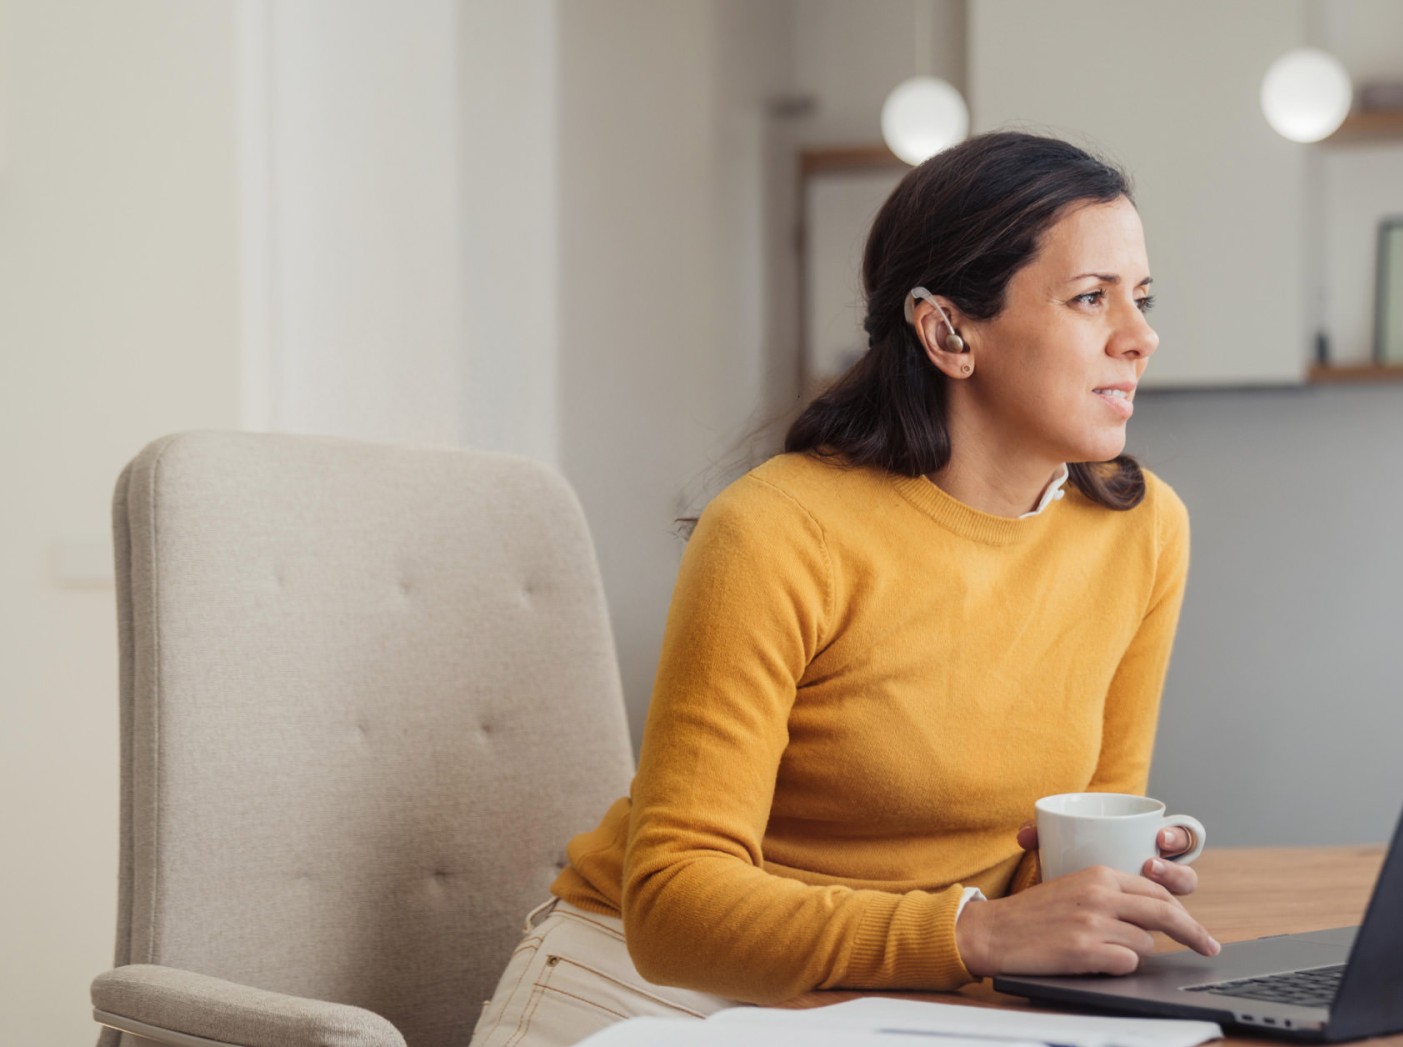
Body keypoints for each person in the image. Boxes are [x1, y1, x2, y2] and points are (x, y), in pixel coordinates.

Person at [467, 130, 1211, 1047]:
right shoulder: (781, 531)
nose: (1140, 337)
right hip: (645, 991)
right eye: (1090, 298)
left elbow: (1069, 841)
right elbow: (672, 902)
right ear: (947, 331)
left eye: (1139, 299)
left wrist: (1104, 879)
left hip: (899, 1000)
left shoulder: (1142, 530)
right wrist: (968, 931)